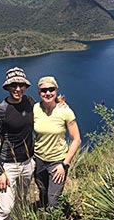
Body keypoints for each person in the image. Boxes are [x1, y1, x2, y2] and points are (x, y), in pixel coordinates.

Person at [0, 66, 36, 220]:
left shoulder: (29, 102)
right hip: (8, 165)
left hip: (28, 162)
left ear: (25, 86)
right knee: (6, 207)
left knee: (22, 200)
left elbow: (44, 114)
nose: (17, 89)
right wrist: (0, 172)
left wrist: (60, 104)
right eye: (13, 85)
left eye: (21, 85)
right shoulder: (1, 111)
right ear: (7, 87)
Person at [33, 76, 81, 210]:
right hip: (39, 160)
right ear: (39, 93)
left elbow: (76, 139)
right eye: (44, 90)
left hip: (57, 162)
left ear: (56, 90)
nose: (48, 93)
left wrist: (64, 164)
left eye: (51, 89)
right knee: (43, 193)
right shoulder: (35, 108)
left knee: (54, 201)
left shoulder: (65, 111)